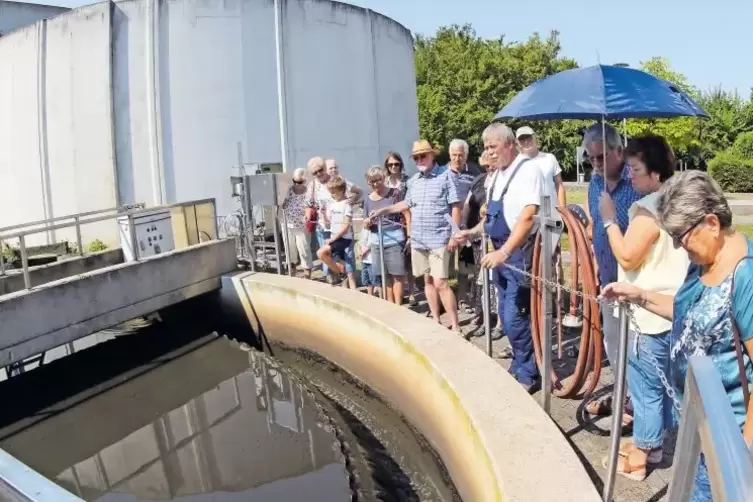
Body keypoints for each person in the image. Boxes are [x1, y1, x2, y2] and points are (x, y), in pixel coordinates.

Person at [601, 170, 753, 500]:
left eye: (681, 237)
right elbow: (692, 316)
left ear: (711, 223)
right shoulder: (703, 262)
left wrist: (743, 454)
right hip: (700, 429)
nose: (679, 247)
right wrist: (638, 294)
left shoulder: (746, 277)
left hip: (729, 443)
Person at [598, 135, 689, 480]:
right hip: (671, 309)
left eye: (636, 169)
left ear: (655, 173)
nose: (630, 176)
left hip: (647, 313)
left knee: (647, 388)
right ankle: (653, 445)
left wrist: (609, 220)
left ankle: (642, 456)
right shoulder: (677, 202)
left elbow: (627, 254)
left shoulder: (649, 208)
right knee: (665, 383)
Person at [452, 123, 546, 393]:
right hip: (499, 254)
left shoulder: (528, 171)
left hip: (518, 255)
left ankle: (529, 374)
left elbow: (527, 217)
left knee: (515, 317)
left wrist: (504, 252)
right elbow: (489, 220)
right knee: (506, 319)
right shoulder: (498, 176)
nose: (488, 153)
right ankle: (518, 365)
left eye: (492, 147)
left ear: (509, 144)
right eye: (485, 148)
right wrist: (469, 234)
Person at [583, 123, 643, 421]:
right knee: (613, 341)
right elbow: (594, 225)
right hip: (607, 276)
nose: (596, 164)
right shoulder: (595, 183)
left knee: (635, 345)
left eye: (602, 157)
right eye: (591, 158)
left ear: (619, 151)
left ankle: (635, 405)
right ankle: (623, 395)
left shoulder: (636, 183)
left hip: (634, 279)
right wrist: (594, 259)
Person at [370, 140, 462, 332]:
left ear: (432, 156)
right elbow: (405, 204)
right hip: (419, 239)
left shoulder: (446, 177)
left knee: (441, 282)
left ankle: (455, 325)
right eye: (417, 157)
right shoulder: (413, 182)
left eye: (423, 156)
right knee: (427, 281)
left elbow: (455, 206)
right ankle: (436, 320)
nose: (420, 160)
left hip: (439, 238)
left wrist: (455, 234)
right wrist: (383, 211)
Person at [460, 152, 504, 343]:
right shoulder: (481, 181)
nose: (489, 169)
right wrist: (465, 228)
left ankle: (501, 325)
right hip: (482, 240)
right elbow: (468, 205)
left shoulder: (505, 181)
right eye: (486, 166)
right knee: (483, 283)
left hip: (501, 243)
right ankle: (486, 320)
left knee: (499, 287)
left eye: (492, 165)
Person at [306, 157, 362, 277]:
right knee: (327, 258)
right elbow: (308, 204)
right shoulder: (313, 185)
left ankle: (348, 283)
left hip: (341, 227)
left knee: (346, 256)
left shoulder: (337, 180)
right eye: (314, 173)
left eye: (320, 170)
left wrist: (353, 199)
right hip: (324, 227)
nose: (318, 174)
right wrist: (308, 213)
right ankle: (334, 279)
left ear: (324, 168)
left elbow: (359, 191)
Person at [363, 165, 410, 305]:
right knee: (384, 276)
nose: (376, 184)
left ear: (383, 178)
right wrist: (367, 223)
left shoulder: (395, 194)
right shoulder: (367, 200)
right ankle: (390, 305)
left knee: (398, 275)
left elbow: (407, 214)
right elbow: (366, 224)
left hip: (395, 239)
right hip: (376, 241)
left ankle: (398, 305)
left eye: (378, 180)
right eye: (372, 181)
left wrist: (409, 236)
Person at [516, 126, 566, 254]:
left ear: (535, 138)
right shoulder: (515, 163)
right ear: (517, 143)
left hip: (551, 216)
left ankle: (555, 274)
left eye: (528, 138)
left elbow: (559, 185)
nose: (526, 142)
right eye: (522, 140)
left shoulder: (549, 158)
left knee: (553, 257)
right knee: (529, 258)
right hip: (528, 218)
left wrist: (562, 210)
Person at [384, 151, 418, 306]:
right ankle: (398, 291)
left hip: (406, 220)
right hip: (390, 222)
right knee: (395, 259)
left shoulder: (407, 180)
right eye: (390, 164)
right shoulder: (384, 181)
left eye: (396, 164)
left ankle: (411, 290)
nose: (393, 167)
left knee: (408, 257)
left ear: (401, 164)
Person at [315, 176, 357, 288]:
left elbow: (346, 225)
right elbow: (329, 223)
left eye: (334, 192)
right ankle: (340, 272)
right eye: (331, 193)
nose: (332, 195)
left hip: (344, 239)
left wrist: (333, 239)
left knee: (349, 268)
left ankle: (346, 278)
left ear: (342, 190)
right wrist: (323, 214)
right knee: (338, 261)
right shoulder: (332, 205)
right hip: (335, 237)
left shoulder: (347, 204)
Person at [281, 168, 314, 279]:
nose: (296, 184)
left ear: (305, 181)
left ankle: (307, 275)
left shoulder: (309, 191)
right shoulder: (289, 190)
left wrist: (308, 215)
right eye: (294, 181)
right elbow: (282, 203)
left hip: (302, 225)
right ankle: (292, 273)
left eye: (299, 182)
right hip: (288, 223)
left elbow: (310, 206)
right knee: (289, 249)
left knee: (304, 249)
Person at [358, 226, 378, 296]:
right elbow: (361, 242)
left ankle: (377, 295)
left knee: (374, 280)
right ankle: (370, 295)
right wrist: (360, 252)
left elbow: (372, 243)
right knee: (366, 280)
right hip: (364, 259)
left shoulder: (373, 229)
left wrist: (364, 252)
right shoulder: (364, 229)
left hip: (371, 259)